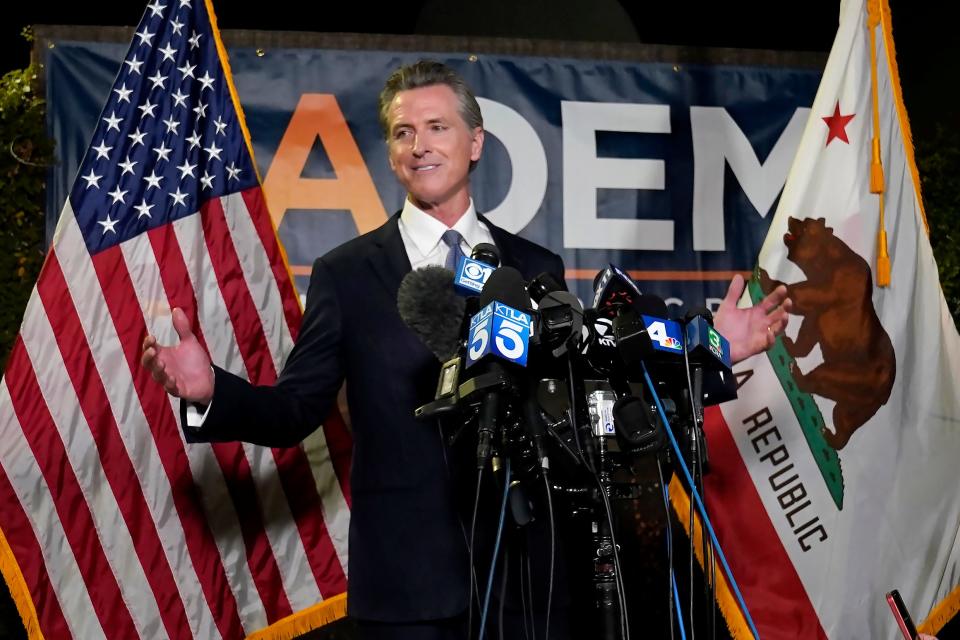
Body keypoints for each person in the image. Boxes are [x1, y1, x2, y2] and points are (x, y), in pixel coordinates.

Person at [142, 60, 791, 639]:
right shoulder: (347, 274)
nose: (419, 145)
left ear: (475, 142)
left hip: (528, 586)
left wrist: (709, 355)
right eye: (403, 132)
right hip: (405, 597)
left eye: (437, 127)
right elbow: (292, 411)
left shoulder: (533, 265)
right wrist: (211, 392)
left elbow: (583, 407)